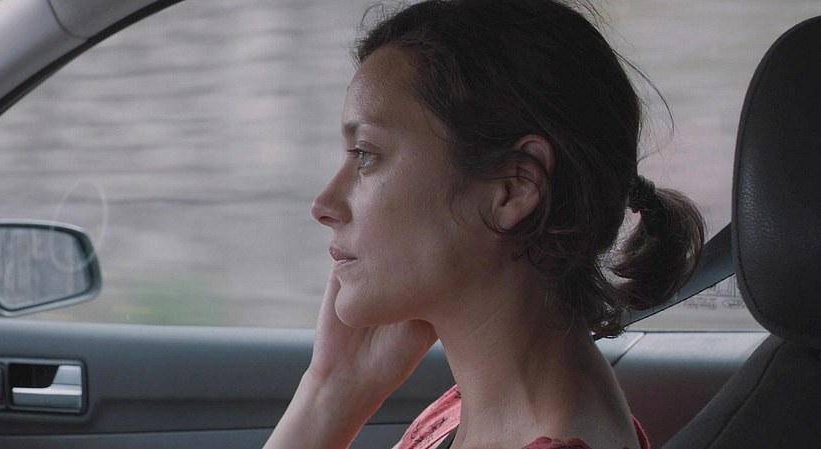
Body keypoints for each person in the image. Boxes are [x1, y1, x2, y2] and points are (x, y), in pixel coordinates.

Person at [264, 0, 704, 448]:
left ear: (512, 189)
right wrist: (335, 388)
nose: (324, 205)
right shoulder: (466, 415)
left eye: (366, 155)